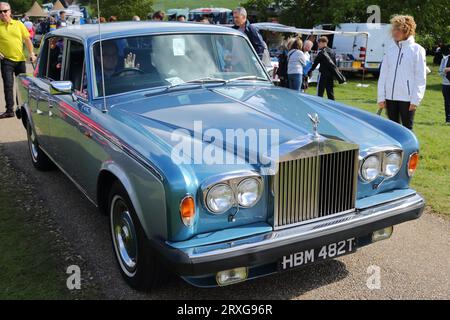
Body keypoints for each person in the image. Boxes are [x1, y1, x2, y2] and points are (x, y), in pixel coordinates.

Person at [377, 15, 427, 130]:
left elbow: (421, 77)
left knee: (407, 130)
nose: (394, 32)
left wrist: (416, 99)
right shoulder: (390, 50)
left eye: (398, 29)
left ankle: (412, 149)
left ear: (407, 30)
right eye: (394, 29)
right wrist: (381, 97)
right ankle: (396, 149)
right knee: (392, 129)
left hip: (407, 99)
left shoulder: (417, 50)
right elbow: (383, 75)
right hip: (390, 98)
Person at [0, 2, 36, 119]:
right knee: (8, 85)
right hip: (6, 60)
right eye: (0, 12)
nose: (3, 14)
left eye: (5, 11)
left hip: (20, 60)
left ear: (10, 11)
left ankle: (23, 108)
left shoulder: (18, 24)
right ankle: (9, 110)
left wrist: (31, 53)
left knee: (22, 85)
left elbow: (27, 40)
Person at [438, 45, 450, 124]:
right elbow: (440, 73)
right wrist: (444, 71)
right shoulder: (444, 59)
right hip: (446, 84)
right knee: (447, 102)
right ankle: (448, 119)